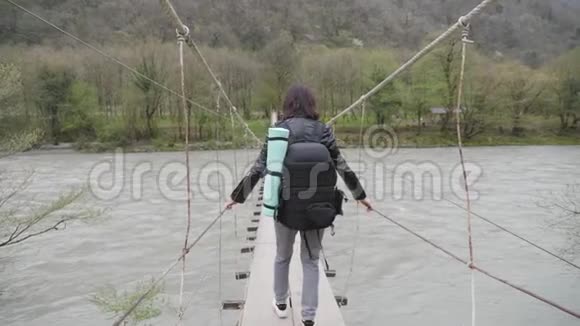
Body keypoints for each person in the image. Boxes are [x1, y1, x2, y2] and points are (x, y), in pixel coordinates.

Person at [225, 85, 371, 326]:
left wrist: (237, 197)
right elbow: (341, 165)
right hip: (319, 207)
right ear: (311, 105)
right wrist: (360, 194)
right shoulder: (324, 130)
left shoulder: (278, 131)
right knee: (311, 260)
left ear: (287, 105)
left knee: (282, 256)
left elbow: (260, 168)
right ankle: (309, 317)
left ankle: (281, 304)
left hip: (285, 207)